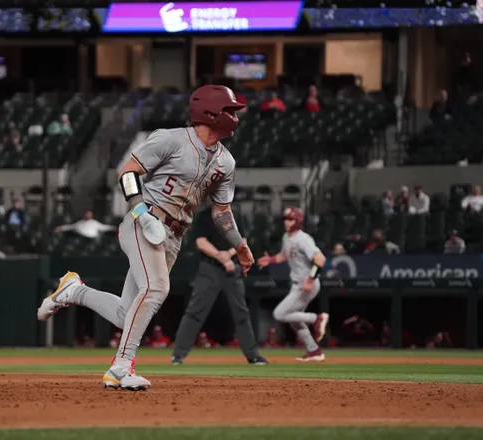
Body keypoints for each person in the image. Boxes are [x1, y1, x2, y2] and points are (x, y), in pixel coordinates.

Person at [36, 85, 254, 390]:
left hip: (175, 235)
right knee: (156, 289)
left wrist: (239, 244)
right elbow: (127, 171)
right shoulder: (170, 138)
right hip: (145, 221)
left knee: (128, 313)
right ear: (210, 112)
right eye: (230, 110)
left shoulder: (225, 162)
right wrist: (139, 210)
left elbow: (221, 211)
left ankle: (73, 292)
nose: (235, 116)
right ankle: (120, 367)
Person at [170, 205, 268, 366]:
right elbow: (201, 242)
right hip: (209, 268)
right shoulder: (204, 215)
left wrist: (228, 255)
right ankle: (178, 355)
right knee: (195, 311)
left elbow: (242, 240)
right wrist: (219, 256)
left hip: (232, 267)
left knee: (241, 312)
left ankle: (253, 355)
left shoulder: (236, 214)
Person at [256, 207, 329, 362]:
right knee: (294, 321)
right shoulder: (286, 237)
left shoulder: (303, 239)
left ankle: (317, 318)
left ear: (299, 221)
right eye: (286, 219)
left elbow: (320, 260)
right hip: (298, 284)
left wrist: (310, 280)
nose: (287, 222)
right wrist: (270, 260)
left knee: (279, 314)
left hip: (306, 284)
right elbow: (284, 255)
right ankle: (314, 350)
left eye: (291, 219)